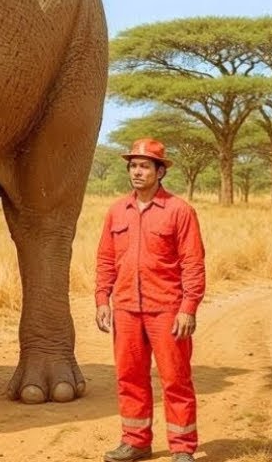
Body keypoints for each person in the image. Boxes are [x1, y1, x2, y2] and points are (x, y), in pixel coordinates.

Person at [95, 139, 206, 462]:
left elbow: (193, 264)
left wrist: (188, 308)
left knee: (175, 379)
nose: (137, 171)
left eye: (145, 166)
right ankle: (135, 441)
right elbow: (105, 259)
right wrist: (103, 298)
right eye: (133, 165)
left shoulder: (179, 211)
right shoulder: (117, 210)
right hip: (127, 309)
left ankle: (183, 447)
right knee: (129, 377)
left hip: (167, 310)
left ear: (160, 171)